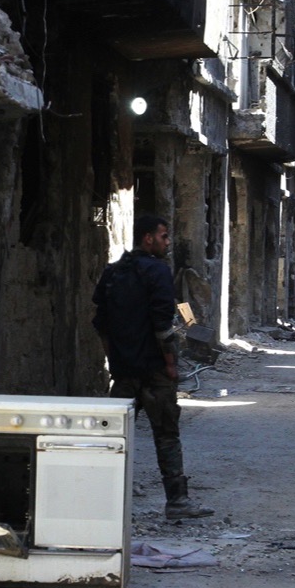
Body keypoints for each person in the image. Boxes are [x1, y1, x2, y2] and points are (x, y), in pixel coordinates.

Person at [92, 215, 214, 520]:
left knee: (114, 436)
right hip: (153, 370)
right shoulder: (157, 271)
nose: (167, 242)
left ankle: (101, 500)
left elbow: (101, 324)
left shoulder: (113, 273)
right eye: (163, 236)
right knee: (166, 434)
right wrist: (171, 364)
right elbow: (162, 324)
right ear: (148, 238)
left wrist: (115, 361)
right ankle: (177, 501)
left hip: (124, 370)